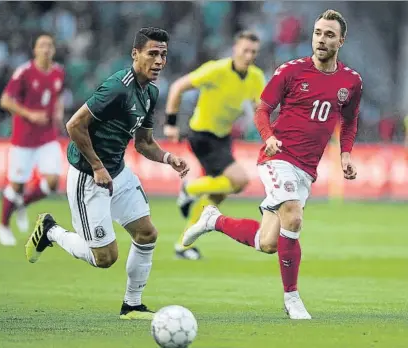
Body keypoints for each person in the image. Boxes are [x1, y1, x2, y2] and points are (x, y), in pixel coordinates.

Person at [182, 9, 362, 320]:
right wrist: (267, 137)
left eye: (329, 34)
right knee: (293, 217)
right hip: (277, 157)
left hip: (306, 168)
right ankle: (292, 299)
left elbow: (349, 121)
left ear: (341, 41)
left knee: (267, 243)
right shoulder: (290, 71)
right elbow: (263, 109)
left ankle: (213, 220)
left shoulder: (351, 82)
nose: (321, 39)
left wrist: (345, 152)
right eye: (318, 32)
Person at [25, 27, 190, 320]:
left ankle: (132, 305)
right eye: (152, 54)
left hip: (117, 172)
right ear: (135, 54)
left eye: (163, 55)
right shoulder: (117, 87)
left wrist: (167, 158)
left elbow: (143, 142)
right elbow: (75, 125)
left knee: (147, 233)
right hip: (89, 176)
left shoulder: (150, 91)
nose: (159, 61)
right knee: (104, 258)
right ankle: (50, 230)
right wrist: (98, 166)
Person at [164, 31, 266, 260]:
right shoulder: (216, 69)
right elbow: (177, 87)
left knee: (217, 195)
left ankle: (183, 245)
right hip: (202, 135)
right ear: (235, 49)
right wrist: (170, 123)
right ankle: (189, 189)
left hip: (223, 138)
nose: (248, 56)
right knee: (239, 181)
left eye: (253, 52)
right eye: (245, 51)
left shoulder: (256, 77)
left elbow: (262, 109)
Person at [0, 32, 65, 246]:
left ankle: (22, 204)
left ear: (53, 50)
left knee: (53, 182)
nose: (46, 49)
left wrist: (58, 113)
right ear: (35, 50)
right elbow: (5, 101)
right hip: (23, 139)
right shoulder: (24, 72)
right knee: (16, 185)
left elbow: (57, 96)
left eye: (49, 45)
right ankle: (4, 225)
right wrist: (30, 114)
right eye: (42, 45)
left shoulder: (58, 73)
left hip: (47, 136)